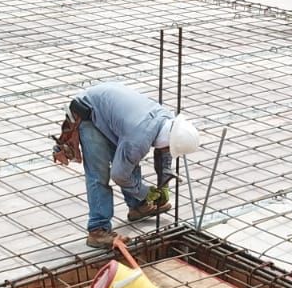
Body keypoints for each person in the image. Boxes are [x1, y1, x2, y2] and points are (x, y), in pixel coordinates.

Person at [52, 82, 202, 248]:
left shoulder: (166, 122)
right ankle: (98, 229)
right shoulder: (138, 139)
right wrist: (146, 192)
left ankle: (138, 207)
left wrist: (164, 181)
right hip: (89, 114)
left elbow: (164, 152)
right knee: (99, 174)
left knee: (128, 159)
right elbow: (120, 175)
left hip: (109, 109)